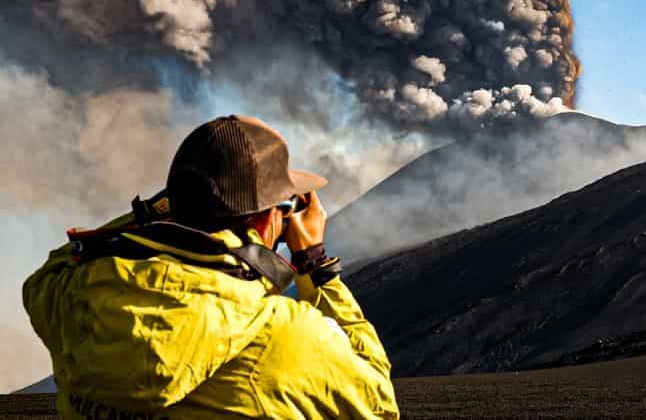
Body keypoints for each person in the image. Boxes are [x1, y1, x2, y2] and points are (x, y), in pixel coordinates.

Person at [23, 115, 399, 419]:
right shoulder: (284, 335)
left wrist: (154, 214)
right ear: (268, 220)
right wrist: (314, 262)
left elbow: (58, 262)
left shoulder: (72, 294)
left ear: (173, 202)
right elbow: (378, 404)